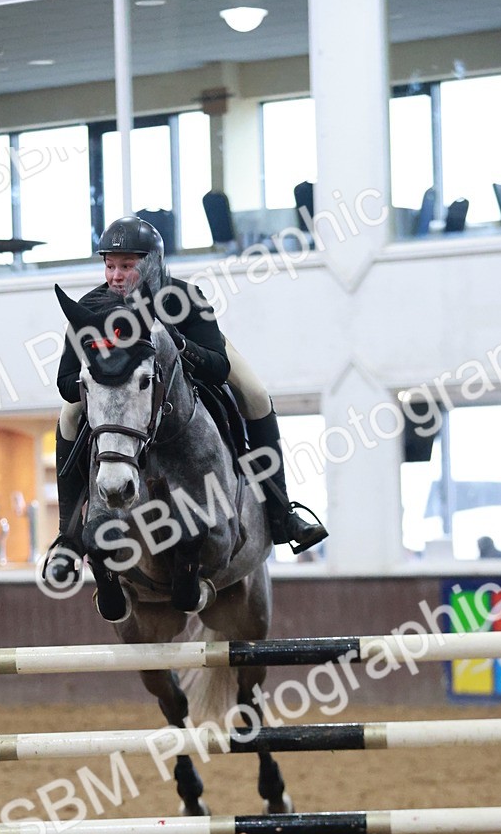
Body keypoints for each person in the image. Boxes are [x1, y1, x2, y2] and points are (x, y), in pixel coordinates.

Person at [45, 215, 328, 581]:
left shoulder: (182, 297)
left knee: (256, 395)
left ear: (151, 263)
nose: (115, 275)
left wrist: (177, 345)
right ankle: (68, 536)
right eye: (110, 265)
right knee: (68, 417)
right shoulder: (90, 309)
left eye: (126, 266)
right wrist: (97, 381)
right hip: (116, 394)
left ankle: (281, 514)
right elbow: (66, 381)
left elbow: (216, 364)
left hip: (190, 379)